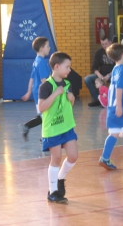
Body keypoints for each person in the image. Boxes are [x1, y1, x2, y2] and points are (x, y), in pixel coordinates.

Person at [38, 52, 78, 203]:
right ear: (56, 66)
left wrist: (72, 98)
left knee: (73, 156)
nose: (69, 70)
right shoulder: (46, 86)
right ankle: (53, 191)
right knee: (56, 158)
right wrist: (55, 94)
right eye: (67, 67)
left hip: (67, 126)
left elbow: (70, 103)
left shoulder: (68, 84)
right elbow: (41, 107)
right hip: (53, 128)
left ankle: (60, 178)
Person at [18, 37, 51, 141]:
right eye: (47, 46)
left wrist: (29, 92)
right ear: (41, 48)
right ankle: (27, 126)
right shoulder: (41, 62)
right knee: (44, 115)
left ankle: (43, 137)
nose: (49, 48)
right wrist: (51, 92)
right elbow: (43, 80)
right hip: (42, 92)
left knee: (44, 115)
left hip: (36, 91)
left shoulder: (36, 60)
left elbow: (32, 78)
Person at [84, 35, 115, 107]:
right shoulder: (99, 53)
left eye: (106, 43)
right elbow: (94, 67)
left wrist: (108, 75)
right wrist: (99, 75)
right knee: (87, 79)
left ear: (110, 42)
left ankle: (110, 100)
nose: (104, 46)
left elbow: (118, 67)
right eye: (102, 44)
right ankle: (98, 99)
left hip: (113, 74)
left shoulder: (115, 52)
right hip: (101, 75)